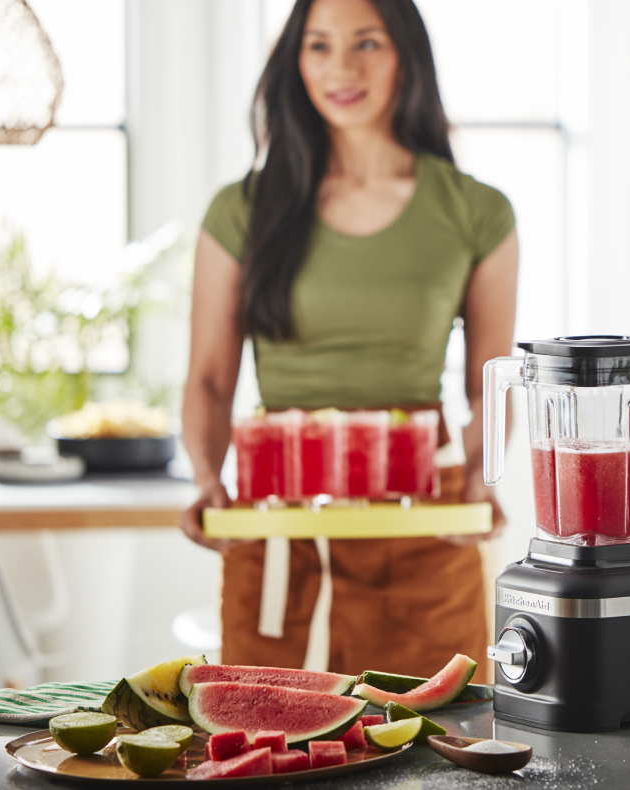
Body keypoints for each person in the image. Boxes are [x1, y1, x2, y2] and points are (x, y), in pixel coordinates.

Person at [178, 0, 517, 683]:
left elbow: (494, 381)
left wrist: (482, 480)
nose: (340, 67)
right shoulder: (240, 209)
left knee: (437, 763)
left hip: (426, 525)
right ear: (294, 61)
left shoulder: (478, 212)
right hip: (278, 527)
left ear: (406, 57)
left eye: (367, 44)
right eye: (318, 46)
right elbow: (211, 380)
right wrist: (209, 479)